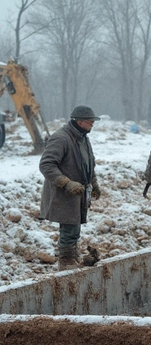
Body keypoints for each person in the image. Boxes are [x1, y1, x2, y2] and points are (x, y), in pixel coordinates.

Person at [39, 105, 101, 270]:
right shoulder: (61, 138)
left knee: (74, 227)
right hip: (64, 193)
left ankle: (71, 258)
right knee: (69, 227)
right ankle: (66, 263)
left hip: (78, 193)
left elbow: (89, 164)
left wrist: (93, 182)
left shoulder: (82, 138)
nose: (92, 124)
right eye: (90, 121)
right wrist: (66, 183)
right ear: (79, 122)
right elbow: (46, 165)